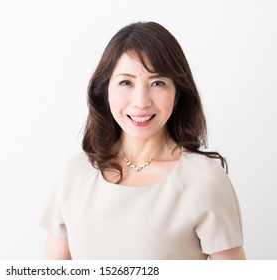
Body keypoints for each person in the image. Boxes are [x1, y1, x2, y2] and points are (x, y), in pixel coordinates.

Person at [40, 21, 245, 260]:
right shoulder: (75, 174)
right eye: (126, 82)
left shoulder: (202, 180)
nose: (141, 101)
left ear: (177, 93)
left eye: (157, 83)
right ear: (106, 90)